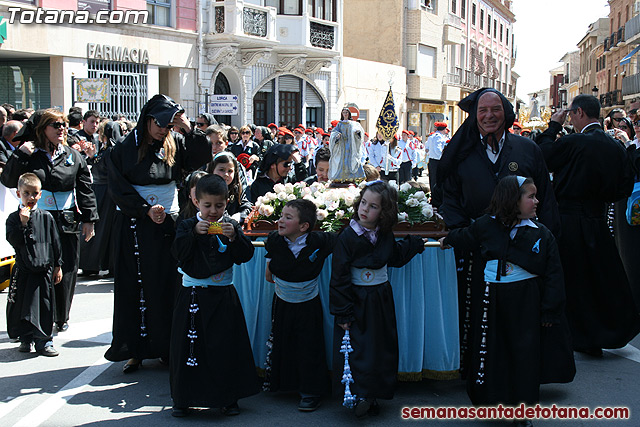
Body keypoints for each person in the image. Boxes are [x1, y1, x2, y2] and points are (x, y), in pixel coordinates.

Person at [435, 88, 559, 376]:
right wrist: (464, 231)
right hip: (481, 249)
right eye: (482, 111)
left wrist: (547, 238)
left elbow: (547, 198)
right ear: (474, 116)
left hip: (523, 251)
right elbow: (448, 196)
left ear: (506, 114)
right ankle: (482, 375)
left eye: (496, 110)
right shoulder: (461, 153)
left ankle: (522, 378)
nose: (489, 116)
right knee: (481, 315)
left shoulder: (528, 149)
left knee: (520, 321)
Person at [439, 176, 575, 424]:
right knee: (492, 351)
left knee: (524, 355)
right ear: (511, 199)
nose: (536, 201)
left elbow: (554, 275)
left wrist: (549, 311)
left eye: (535, 196)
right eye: (530, 196)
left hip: (525, 302)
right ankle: (492, 401)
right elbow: (466, 237)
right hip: (491, 301)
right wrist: (447, 240)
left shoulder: (541, 235)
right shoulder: (486, 226)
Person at [104, 94, 212, 373]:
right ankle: (135, 349)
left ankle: (165, 346)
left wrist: (189, 129)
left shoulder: (175, 142)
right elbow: (117, 187)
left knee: (168, 284)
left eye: (168, 125)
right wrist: (144, 210)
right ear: (148, 120)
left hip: (169, 224)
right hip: (136, 224)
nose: (164, 129)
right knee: (136, 285)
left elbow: (199, 159)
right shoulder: (126, 147)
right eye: (160, 124)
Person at [535, 94, 640, 356]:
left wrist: (553, 126)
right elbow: (624, 184)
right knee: (599, 278)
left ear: (580, 113)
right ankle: (603, 331)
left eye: (571, 114)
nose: (570, 117)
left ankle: (579, 335)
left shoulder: (574, 142)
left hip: (570, 219)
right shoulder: (615, 146)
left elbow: (542, 155)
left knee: (574, 279)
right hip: (598, 220)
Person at [330, 180, 426, 418]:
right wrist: (343, 311)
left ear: (384, 212)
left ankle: (374, 394)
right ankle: (358, 395)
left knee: (380, 346)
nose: (365, 209)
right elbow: (339, 276)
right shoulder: (348, 237)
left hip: (380, 298)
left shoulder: (384, 234)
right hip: (357, 300)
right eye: (363, 203)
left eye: (373, 206)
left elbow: (393, 256)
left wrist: (413, 245)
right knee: (358, 348)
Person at [1, 109, 98, 333]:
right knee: (37, 268)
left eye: (63, 124)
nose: (62, 129)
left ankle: (61, 316)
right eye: (55, 125)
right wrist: (20, 154)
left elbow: (85, 189)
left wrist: (89, 219)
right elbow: (7, 180)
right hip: (36, 221)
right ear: (43, 129)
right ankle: (33, 319)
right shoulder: (29, 154)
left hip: (66, 220)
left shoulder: (73, 156)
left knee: (67, 269)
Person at [170, 174, 258, 417]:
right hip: (193, 296)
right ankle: (183, 398)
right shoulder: (187, 224)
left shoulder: (231, 225)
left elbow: (245, 256)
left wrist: (234, 237)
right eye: (207, 205)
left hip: (223, 297)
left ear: (227, 202)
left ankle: (228, 398)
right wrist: (194, 235)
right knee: (189, 347)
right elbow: (178, 252)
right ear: (196, 201)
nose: (213, 211)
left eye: (219, 206)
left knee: (225, 347)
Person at [263, 199, 338, 412]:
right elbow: (269, 273)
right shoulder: (274, 241)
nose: (280, 221)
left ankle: (311, 391)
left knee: (309, 345)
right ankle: (284, 384)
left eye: (288, 217)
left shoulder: (321, 241)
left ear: (304, 226)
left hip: (308, 303)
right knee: (283, 340)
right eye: (281, 215)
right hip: (283, 301)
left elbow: (344, 242)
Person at [6, 173, 63, 356]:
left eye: (34, 193)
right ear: (18, 193)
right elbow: (14, 240)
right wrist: (23, 224)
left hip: (44, 269)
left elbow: (55, 242)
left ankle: (44, 341)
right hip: (24, 269)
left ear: (40, 195)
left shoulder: (46, 217)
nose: (30, 197)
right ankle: (25, 338)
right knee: (23, 305)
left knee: (44, 306)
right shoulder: (14, 219)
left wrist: (57, 265)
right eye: (26, 193)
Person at [206, 152, 252, 223]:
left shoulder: (236, 188)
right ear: (212, 170)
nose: (226, 174)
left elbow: (247, 205)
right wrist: (230, 220)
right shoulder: (206, 190)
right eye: (221, 170)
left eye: (230, 171)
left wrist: (240, 216)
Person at [329, 108, 365, 182]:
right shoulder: (340, 124)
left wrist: (357, 133)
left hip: (351, 145)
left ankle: (354, 176)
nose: (345, 114)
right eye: (343, 112)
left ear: (349, 114)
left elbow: (359, 131)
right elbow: (334, 132)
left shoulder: (353, 123)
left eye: (346, 112)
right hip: (342, 146)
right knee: (342, 161)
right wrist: (337, 135)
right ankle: (340, 177)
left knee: (352, 160)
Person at [425, 122, 448, 192]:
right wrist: (442, 157)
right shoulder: (439, 136)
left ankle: (433, 195)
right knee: (438, 180)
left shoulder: (432, 136)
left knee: (433, 179)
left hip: (432, 160)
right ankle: (436, 196)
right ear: (444, 129)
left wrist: (431, 154)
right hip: (438, 160)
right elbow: (437, 149)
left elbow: (427, 149)